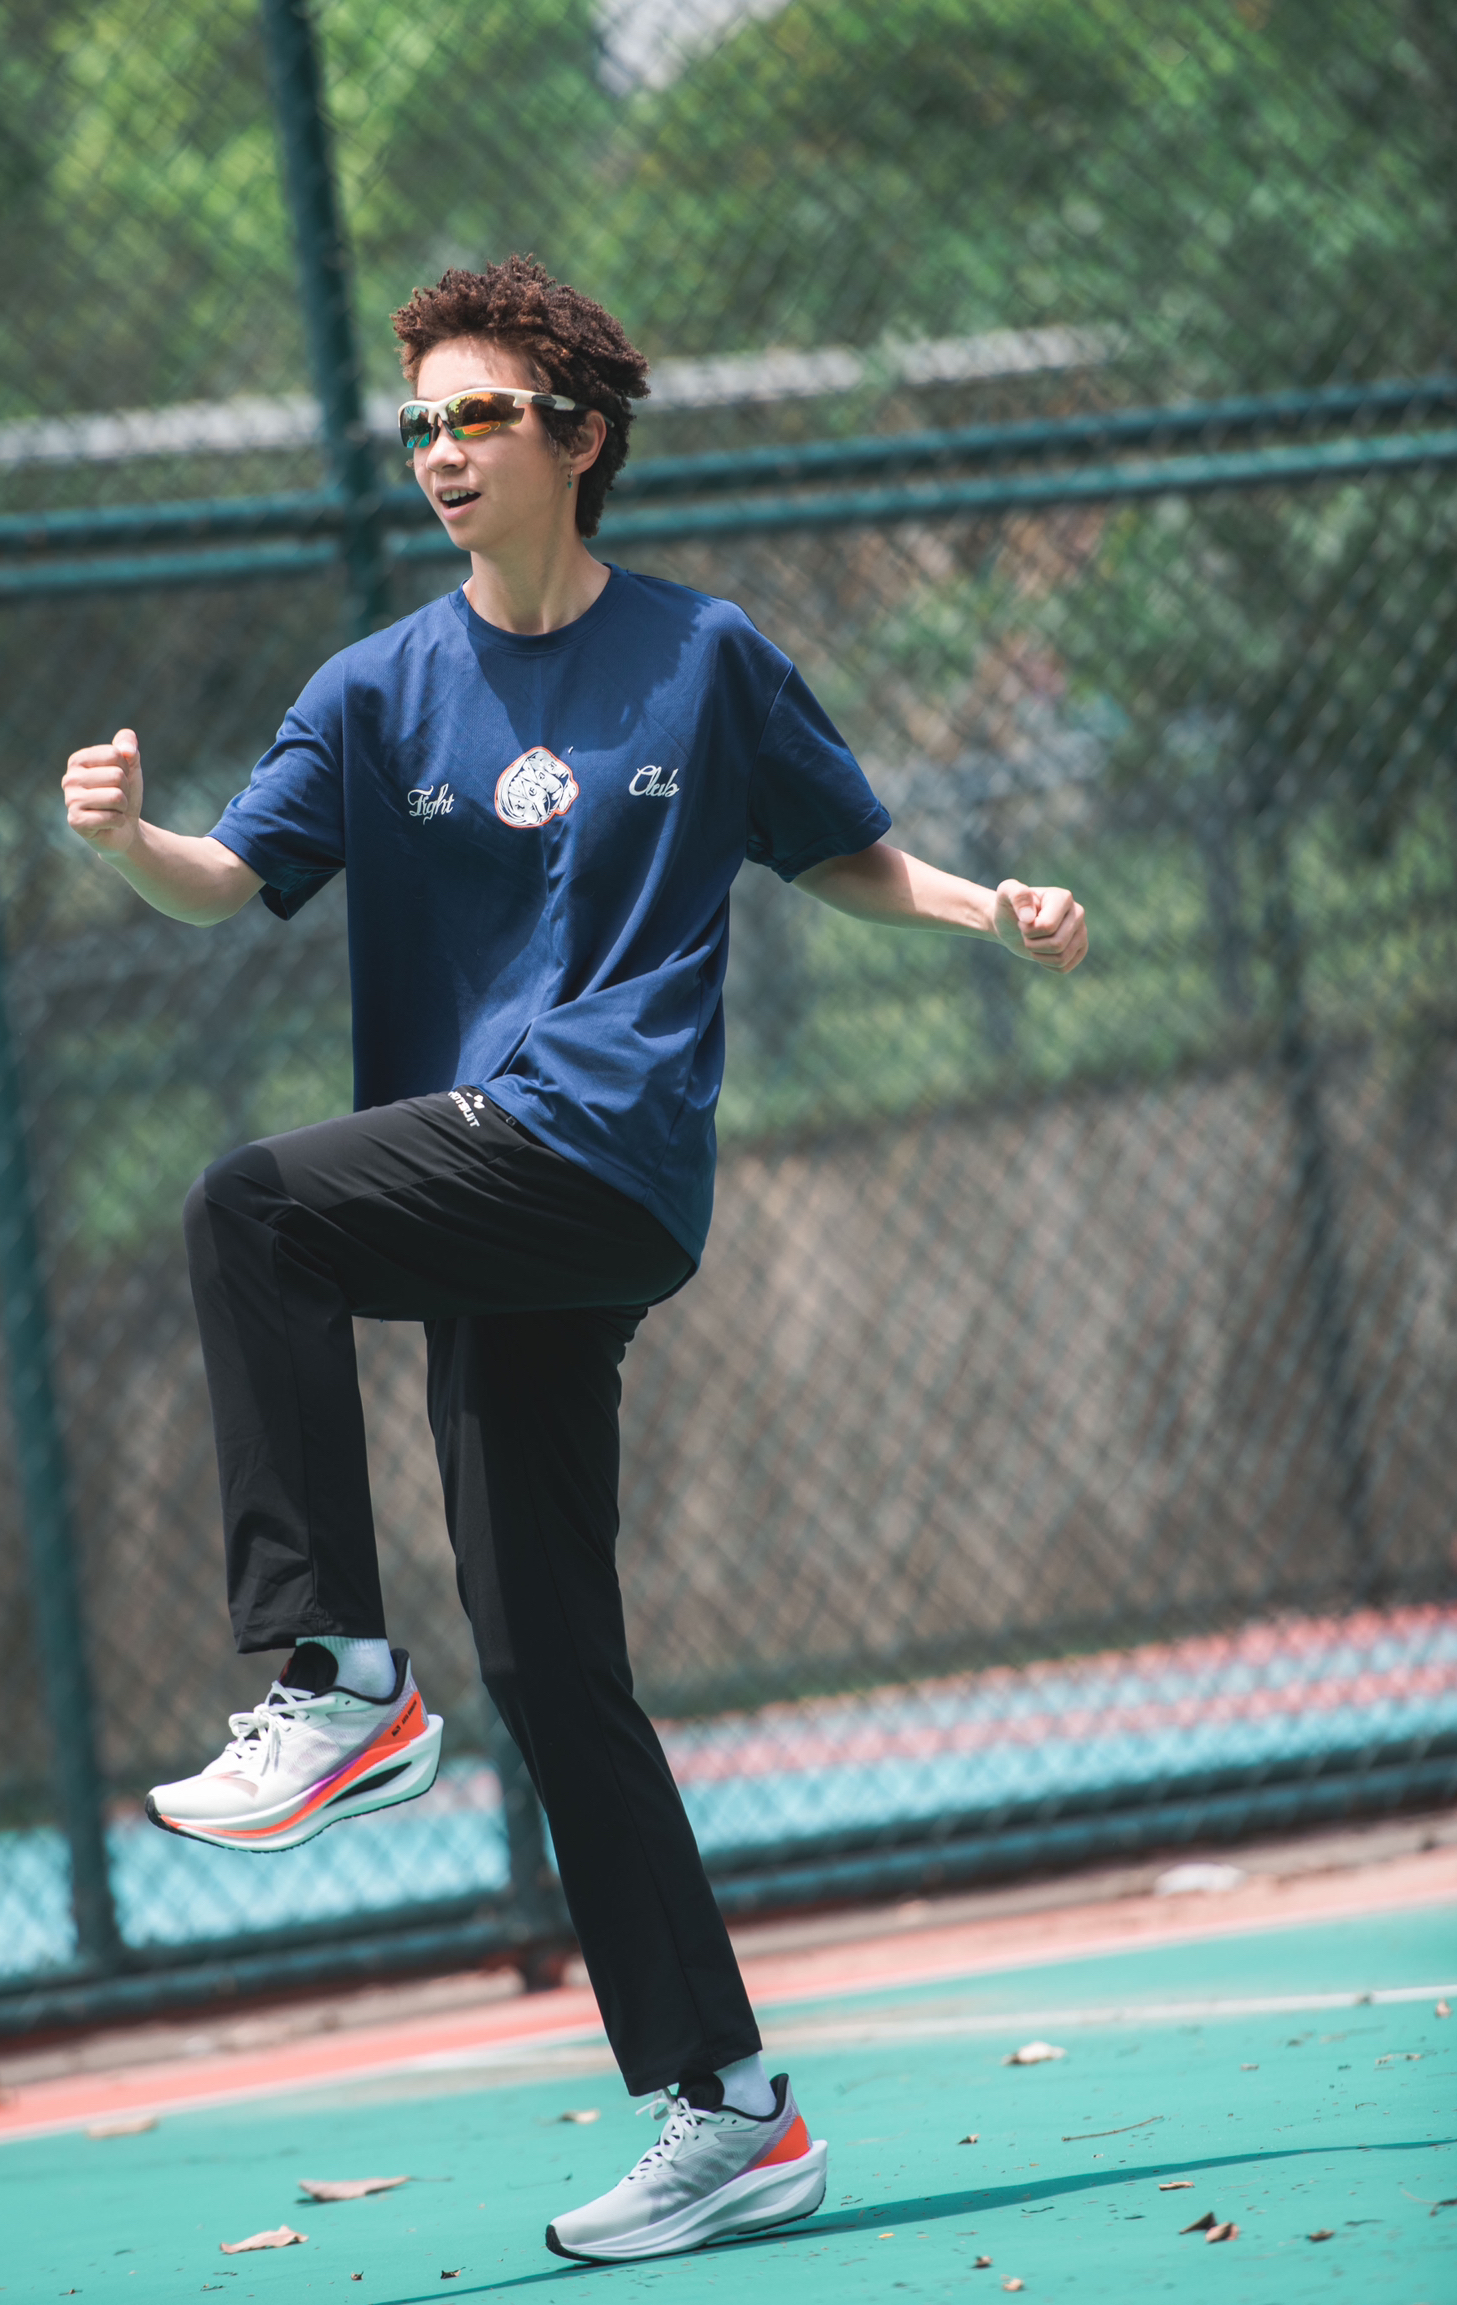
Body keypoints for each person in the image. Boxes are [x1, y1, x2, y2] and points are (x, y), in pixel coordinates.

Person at [61, 254, 1087, 2264]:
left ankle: (337, 1675)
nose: (441, 451)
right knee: (547, 1657)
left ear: (578, 437)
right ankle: (733, 2108)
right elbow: (228, 879)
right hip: (491, 1190)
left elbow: (841, 848)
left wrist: (993, 908)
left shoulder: (704, 658)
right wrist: (123, 843)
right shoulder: (374, 691)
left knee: (249, 1207)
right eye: (421, 424)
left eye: (479, 416)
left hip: (598, 1142)